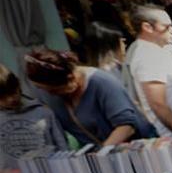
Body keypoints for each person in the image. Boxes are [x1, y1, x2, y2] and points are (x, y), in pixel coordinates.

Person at [25, 49, 155, 145]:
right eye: (41, 88)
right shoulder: (47, 92)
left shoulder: (101, 83)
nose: (49, 94)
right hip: (102, 157)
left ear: (69, 78)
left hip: (135, 150)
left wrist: (103, 153)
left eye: (54, 90)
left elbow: (126, 127)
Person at [125, 6, 172, 136]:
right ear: (147, 28)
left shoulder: (157, 50)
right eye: (166, 27)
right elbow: (157, 104)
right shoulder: (148, 56)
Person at [0, 62, 66, 168]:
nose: (10, 99)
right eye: (2, 97)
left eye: (12, 92)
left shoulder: (43, 111)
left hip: (50, 172)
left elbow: (62, 145)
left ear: (18, 85)